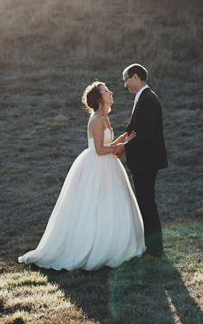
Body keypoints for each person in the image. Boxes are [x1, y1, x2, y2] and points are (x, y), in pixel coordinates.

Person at [18, 82, 145, 270]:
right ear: (99, 99)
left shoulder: (105, 118)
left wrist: (123, 140)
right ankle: (94, 246)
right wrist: (122, 147)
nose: (111, 92)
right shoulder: (95, 120)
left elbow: (107, 142)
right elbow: (100, 149)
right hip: (97, 164)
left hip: (109, 165)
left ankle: (114, 243)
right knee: (93, 205)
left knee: (112, 203)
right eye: (106, 91)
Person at [113, 63, 168, 261]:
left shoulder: (148, 100)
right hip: (142, 161)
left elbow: (146, 134)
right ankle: (152, 248)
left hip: (146, 162)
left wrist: (126, 148)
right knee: (146, 203)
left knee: (147, 204)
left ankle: (155, 251)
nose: (125, 85)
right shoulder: (143, 99)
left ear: (135, 77)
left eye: (126, 80)